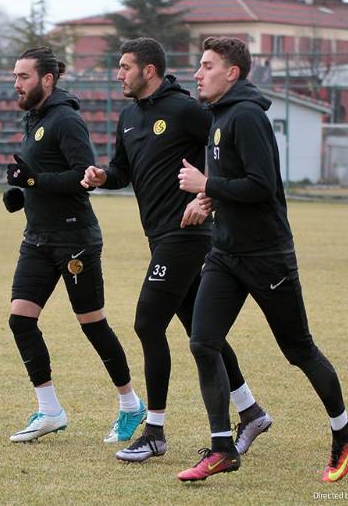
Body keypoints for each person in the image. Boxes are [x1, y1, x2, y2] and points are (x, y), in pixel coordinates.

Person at [176, 37, 348, 482]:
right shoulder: (218, 116)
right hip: (226, 253)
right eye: (199, 66)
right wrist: (209, 199)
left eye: (207, 66)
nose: (198, 74)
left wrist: (208, 185)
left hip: (267, 256)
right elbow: (233, 181)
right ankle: (222, 448)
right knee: (203, 341)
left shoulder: (246, 116)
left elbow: (262, 186)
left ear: (232, 73)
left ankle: (345, 430)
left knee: (298, 349)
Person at [82, 37, 271, 463]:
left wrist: (205, 197)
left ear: (149, 71)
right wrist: (101, 176)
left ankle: (154, 432)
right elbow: (122, 171)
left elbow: (226, 149)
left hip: (188, 237)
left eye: (125, 66)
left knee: (148, 323)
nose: (118, 74)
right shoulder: (129, 115)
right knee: (201, 332)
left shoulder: (186, 109)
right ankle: (252, 412)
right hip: (160, 237)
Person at [3, 46, 144, 444]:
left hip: (73, 239)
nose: (16, 83)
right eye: (15, 76)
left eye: (23, 77)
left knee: (92, 325)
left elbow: (82, 177)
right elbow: (40, 176)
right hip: (37, 238)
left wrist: (32, 183)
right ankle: (49, 410)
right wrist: (21, 194)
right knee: (20, 320)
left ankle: (132, 405)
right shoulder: (35, 119)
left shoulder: (65, 119)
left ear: (47, 80)